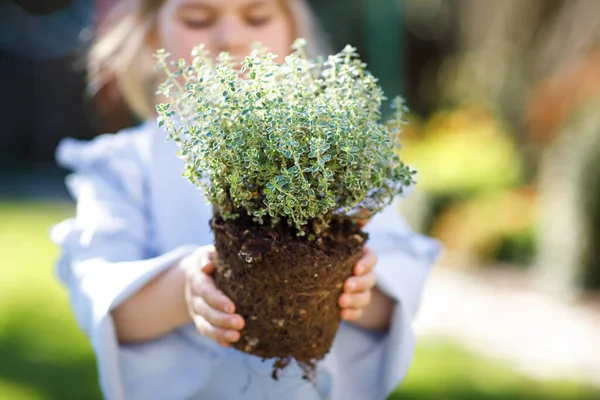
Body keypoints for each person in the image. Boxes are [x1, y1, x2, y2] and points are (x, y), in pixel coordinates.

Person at [50, 0, 441, 399]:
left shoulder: (333, 153)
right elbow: (102, 297)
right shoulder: (124, 165)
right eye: (197, 19)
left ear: (294, 32)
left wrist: (358, 286)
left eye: (257, 17)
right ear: (152, 34)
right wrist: (188, 283)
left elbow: (400, 276)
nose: (231, 39)